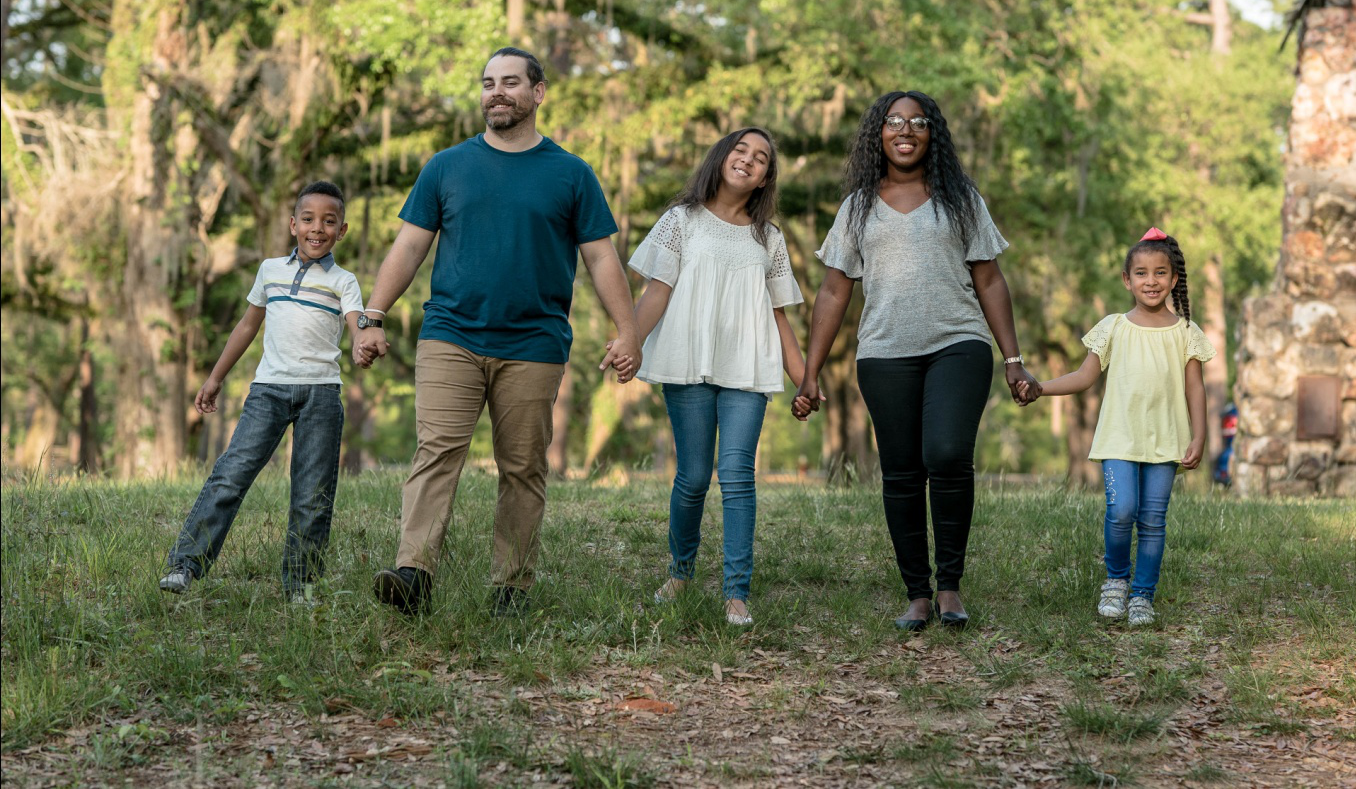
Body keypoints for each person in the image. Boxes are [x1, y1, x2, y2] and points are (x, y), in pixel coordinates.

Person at [359, 47, 640, 617]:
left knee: (522, 466)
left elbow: (601, 260)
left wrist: (627, 331)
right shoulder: (446, 166)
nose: (497, 93)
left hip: (534, 343)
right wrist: (373, 314)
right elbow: (410, 245)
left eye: (510, 83)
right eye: (488, 83)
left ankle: (511, 586)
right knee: (437, 450)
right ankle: (413, 573)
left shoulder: (571, 173)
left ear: (538, 94)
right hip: (450, 334)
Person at [794, 91, 1040, 632]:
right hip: (884, 352)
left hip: (959, 342)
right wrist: (810, 372)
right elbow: (834, 292)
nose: (905, 130)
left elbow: (990, 278)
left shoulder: (959, 198)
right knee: (902, 472)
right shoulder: (857, 206)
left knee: (948, 453)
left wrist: (1013, 358)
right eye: (893, 122)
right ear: (877, 134)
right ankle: (918, 595)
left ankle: (950, 587)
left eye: (918, 121)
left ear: (933, 133)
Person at [619, 127, 807, 627]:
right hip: (688, 360)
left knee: (738, 474)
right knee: (694, 476)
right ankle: (680, 573)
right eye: (741, 150)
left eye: (762, 157)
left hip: (747, 364)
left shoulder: (769, 238)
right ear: (721, 157)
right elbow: (656, 292)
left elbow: (781, 315)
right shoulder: (682, 221)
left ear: (767, 177)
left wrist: (804, 379)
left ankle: (736, 594)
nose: (749, 160)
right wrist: (629, 343)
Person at [159, 181, 367, 605]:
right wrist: (215, 377)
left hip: (321, 394)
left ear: (342, 230)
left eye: (329, 221)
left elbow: (355, 321)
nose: (317, 228)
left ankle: (301, 585)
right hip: (268, 390)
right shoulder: (270, 270)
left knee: (312, 493)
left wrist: (365, 339)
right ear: (293, 224)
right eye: (308, 219)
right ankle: (185, 565)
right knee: (231, 474)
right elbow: (247, 326)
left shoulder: (345, 281)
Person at [1018, 228, 1213, 627]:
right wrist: (1041, 388)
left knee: (1153, 521)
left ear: (1174, 279)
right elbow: (1084, 376)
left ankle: (1143, 595)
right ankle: (1116, 581)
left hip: (1166, 440)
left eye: (1161, 273)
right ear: (1127, 280)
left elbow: (1195, 388)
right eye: (1141, 273)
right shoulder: (1113, 327)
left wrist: (1199, 435)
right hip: (1119, 438)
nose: (1151, 281)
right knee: (1121, 510)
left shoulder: (1186, 333)